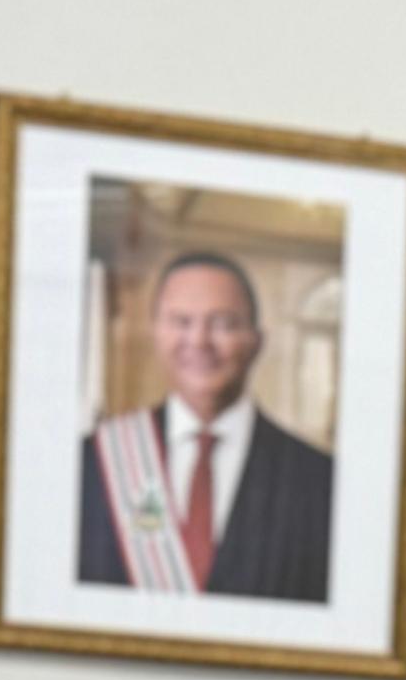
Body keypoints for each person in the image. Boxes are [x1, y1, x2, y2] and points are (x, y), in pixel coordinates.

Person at [76, 250, 335, 601]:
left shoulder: (320, 481)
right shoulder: (92, 462)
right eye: (181, 321)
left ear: (257, 341)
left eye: (223, 324)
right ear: (156, 334)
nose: (198, 342)